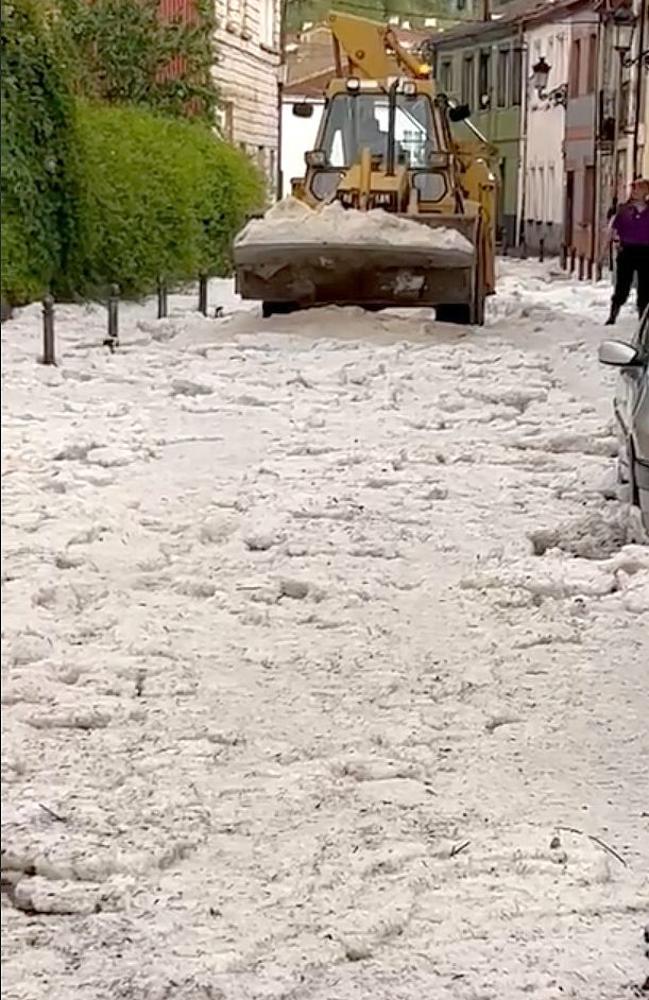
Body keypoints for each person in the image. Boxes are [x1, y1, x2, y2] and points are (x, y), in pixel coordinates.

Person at [606, 178, 649, 325]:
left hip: (646, 251)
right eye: (634, 188)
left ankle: (642, 319)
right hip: (627, 250)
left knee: (645, 288)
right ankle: (613, 315)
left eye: (638, 188)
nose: (635, 191)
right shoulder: (624, 210)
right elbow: (613, 229)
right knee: (622, 285)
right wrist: (614, 242)